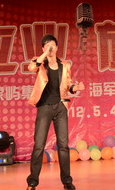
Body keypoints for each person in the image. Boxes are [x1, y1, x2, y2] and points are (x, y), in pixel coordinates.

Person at [26, 34, 85, 190]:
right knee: (39, 145)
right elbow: (31, 67)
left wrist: (75, 88)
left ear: (57, 47)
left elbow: (68, 85)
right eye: (47, 46)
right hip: (44, 107)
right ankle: (32, 182)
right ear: (43, 48)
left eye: (52, 45)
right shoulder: (39, 62)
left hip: (60, 107)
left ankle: (67, 181)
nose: (50, 48)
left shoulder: (64, 65)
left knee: (63, 145)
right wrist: (45, 54)